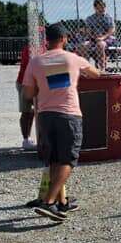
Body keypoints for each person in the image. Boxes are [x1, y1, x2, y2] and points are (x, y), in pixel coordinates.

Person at [21, 23, 100, 222]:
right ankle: (49, 203)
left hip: (45, 116)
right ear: (64, 39)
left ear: (47, 40)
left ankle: (62, 202)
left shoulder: (36, 62)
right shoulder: (72, 58)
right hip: (68, 114)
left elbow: (28, 93)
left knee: (55, 158)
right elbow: (95, 73)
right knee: (68, 159)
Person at [16, 42, 37, 150]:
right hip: (24, 82)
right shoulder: (29, 49)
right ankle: (26, 139)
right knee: (26, 111)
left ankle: (30, 138)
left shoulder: (44, 48)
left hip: (36, 83)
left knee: (34, 112)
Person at [85, 0, 115, 70]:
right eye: (100, 6)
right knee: (83, 46)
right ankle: (86, 69)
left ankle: (102, 69)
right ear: (95, 8)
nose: (103, 8)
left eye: (104, 6)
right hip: (93, 38)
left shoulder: (108, 17)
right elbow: (88, 30)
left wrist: (103, 37)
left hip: (107, 39)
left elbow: (112, 30)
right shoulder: (90, 18)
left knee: (100, 45)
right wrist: (93, 37)